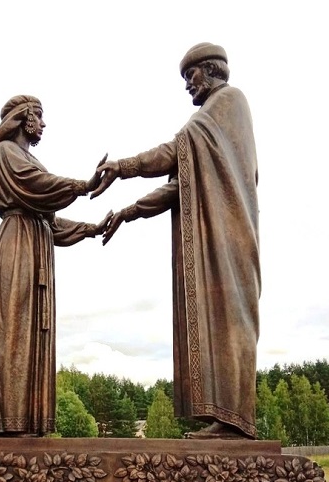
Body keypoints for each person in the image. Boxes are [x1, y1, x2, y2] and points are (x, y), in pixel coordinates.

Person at [92, 43, 260, 439]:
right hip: (218, 234)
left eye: (191, 75)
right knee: (217, 320)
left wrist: (123, 166)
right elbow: (177, 188)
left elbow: (172, 152)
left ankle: (236, 422)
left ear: (212, 69)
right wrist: (129, 211)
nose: (187, 85)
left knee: (230, 319)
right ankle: (225, 421)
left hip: (230, 237)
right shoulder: (208, 127)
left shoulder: (228, 103)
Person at [0, 95, 110, 436]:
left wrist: (91, 229)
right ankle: (10, 427)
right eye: (39, 116)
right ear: (24, 117)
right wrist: (83, 185)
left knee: (33, 334)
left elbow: (51, 222)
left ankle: (31, 427)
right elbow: (35, 185)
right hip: (17, 249)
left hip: (33, 244)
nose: (44, 123)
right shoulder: (5, 152)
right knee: (16, 333)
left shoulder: (28, 159)